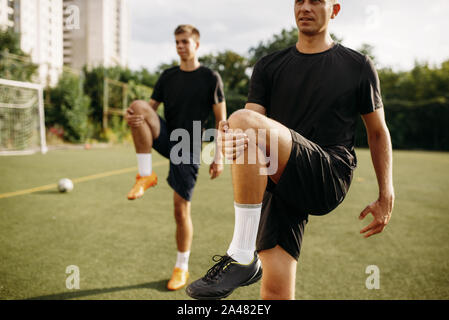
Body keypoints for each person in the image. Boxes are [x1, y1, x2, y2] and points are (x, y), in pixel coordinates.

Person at [186, 0, 394, 300]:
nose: (305, 7)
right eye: (299, 1)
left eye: (316, 1)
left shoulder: (357, 65)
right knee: (274, 291)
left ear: (334, 10)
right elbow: (248, 127)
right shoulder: (269, 65)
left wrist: (386, 193)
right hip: (280, 177)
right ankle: (246, 259)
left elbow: (377, 132)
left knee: (242, 121)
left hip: (328, 173)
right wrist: (231, 141)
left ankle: (242, 255)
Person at [125, 24, 226, 291]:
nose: (180, 46)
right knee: (137, 106)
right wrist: (134, 118)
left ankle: (181, 266)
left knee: (180, 210)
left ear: (197, 45)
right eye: (177, 42)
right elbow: (149, 110)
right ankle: (145, 174)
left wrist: (219, 155)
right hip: (168, 136)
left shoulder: (210, 77)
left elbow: (221, 121)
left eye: (184, 42)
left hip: (189, 144)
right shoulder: (168, 76)